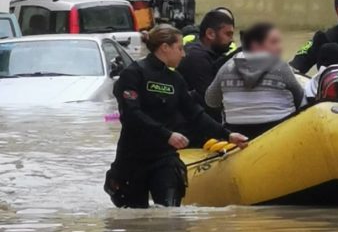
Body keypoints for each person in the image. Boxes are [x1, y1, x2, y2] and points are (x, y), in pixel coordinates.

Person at [105, 24, 248, 209]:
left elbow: (196, 115)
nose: (184, 54)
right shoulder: (133, 74)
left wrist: (227, 135)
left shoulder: (175, 80)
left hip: (164, 158)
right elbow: (131, 115)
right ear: (165, 47)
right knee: (133, 219)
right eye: (179, 48)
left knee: (169, 215)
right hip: (132, 158)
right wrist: (167, 135)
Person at [206, 23, 304, 139]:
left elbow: (211, 100)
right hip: (278, 134)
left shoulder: (226, 67)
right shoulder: (279, 66)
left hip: (237, 135)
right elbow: (300, 97)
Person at [177, 10, 235, 125]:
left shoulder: (208, 55)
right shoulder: (197, 58)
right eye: (228, 34)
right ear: (210, 34)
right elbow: (210, 102)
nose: (232, 40)